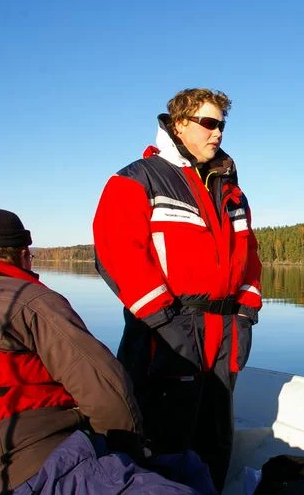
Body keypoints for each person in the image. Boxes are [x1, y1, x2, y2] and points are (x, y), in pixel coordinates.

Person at [0, 208, 215, 495]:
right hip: (27, 464)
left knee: (186, 466)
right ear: (23, 256)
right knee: (184, 476)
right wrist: (128, 454)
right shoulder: (26, 298)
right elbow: (105, 387)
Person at [93, 88, 263, 490]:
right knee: (165, 436)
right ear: (180, 124)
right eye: (208, 123)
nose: (218, 132)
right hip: (166, 329)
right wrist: (163, 320)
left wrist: (246, 310)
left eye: (221, 123)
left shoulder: (230, 188)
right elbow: (116, 252)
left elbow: (250, 254)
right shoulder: (137, 178)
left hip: (224, 330)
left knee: (215, 434)